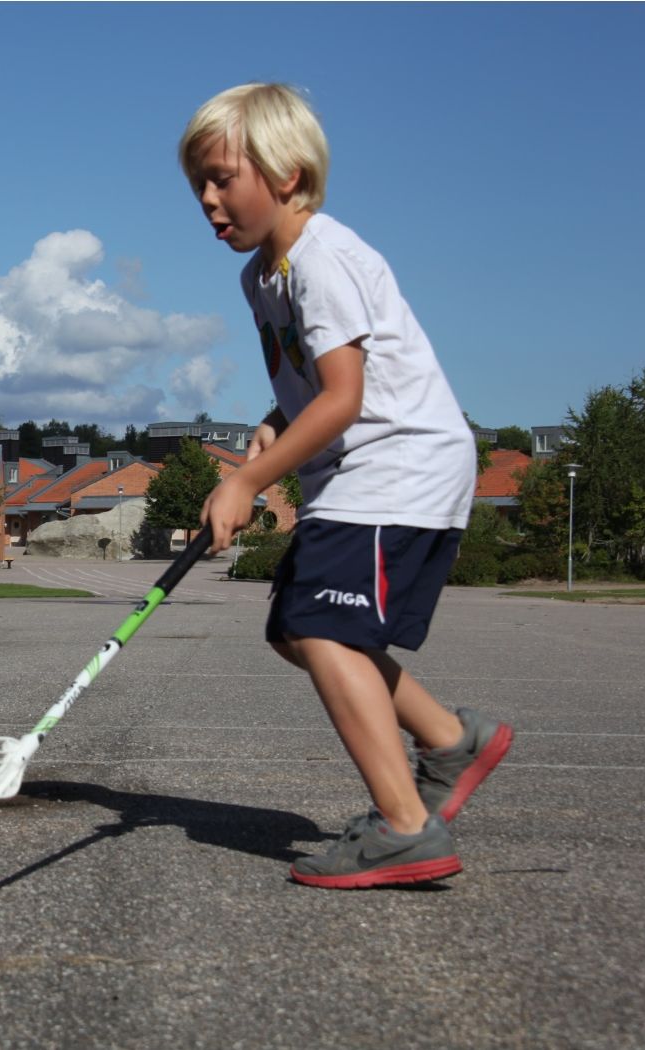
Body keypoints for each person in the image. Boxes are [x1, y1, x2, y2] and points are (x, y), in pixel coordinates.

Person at [179, 84, 512, 888]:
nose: (207, 199)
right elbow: (317, 380)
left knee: (324, 631)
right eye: (198, 183)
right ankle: (446, 740)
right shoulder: (263, 276)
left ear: (288, 174)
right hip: (355, 473)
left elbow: (345, 397)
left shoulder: (323, 259)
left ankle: (405, 828)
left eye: (223, 177)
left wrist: (247, 479)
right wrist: (272, 420)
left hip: (396, 466)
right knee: (297, 630)